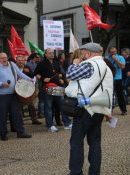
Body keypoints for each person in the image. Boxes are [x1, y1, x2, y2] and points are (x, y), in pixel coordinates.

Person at [65, 42, 113, 175]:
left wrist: (75, 63)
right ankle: (94, 172)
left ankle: (75, 172)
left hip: (85, 109)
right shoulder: (106, 66)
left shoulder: (90, 64)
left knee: (76, 142)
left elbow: (70, 74)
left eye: (83, 53)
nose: (83, 56)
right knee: (95, 143)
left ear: (88, 53)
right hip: (99, 109)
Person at [0, 52, 32, 141]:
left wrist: (30, 79)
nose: (4, 59)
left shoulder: (12, 64)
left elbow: (20, 74)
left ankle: (21, 132)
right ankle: (3, 134)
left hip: (13, 94)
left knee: (17, 114)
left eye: (5, 57)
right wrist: (2, 84)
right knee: (3, 115)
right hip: (3, 96)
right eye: (2, 58)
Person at [34, 48, 72, 132]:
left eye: (52, 53)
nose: (52, 54)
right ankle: (50, 125)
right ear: (46, 54)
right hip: (47, 87)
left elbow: (60, 72)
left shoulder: (57, 62)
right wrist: (43, 79)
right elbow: (36, 74)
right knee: (48, 107)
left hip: (57, 86)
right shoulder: (41, 64)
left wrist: (61, 78)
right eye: (50, 53)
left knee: (62, 105)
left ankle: (67, 123)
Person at [16, 55, 42, 125]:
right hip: (17, 89)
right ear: (16, 61)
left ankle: (34, 119)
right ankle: (20, 121)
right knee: (19, 105)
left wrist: (29, 72)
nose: (20, 62)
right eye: (19, 60)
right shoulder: (14, 68)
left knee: (30, 104)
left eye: (21, 60)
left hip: (26, 89)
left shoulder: (26, 67)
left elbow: (33, 75)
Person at [105, 46, 127, 115]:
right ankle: (109, 111)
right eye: (111, 52)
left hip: (118, 78)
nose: (113, 53)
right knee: (109, 95)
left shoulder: (120, 57)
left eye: (114, 52)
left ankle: (123, 110)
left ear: (116, 51)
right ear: (109, 52)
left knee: (120, 94)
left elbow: (122, 67)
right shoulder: (106, 58)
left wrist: (116, 59)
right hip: (109, 79)